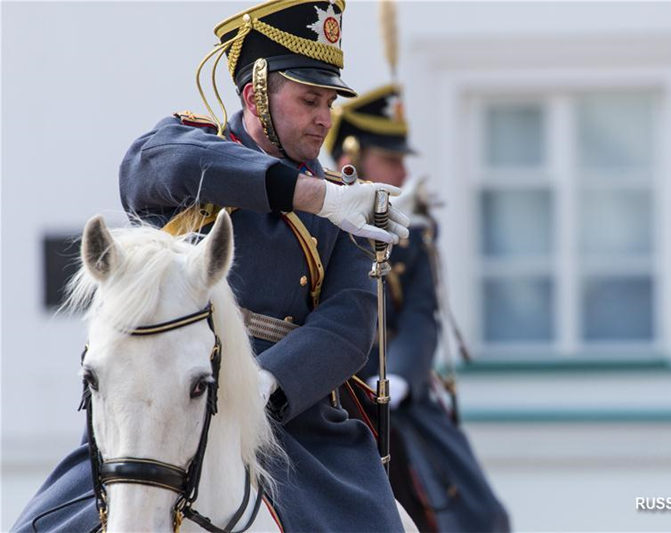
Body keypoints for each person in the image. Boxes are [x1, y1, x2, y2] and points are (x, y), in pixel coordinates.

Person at [12, 1, 412, 531]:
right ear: (256, 96)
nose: (324, 117)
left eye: (329, 102)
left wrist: (266, 385)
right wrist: (313, 197)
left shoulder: (349, 206)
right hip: (162, 399)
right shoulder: (190, 147)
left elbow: (348, 325)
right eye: (309, 99)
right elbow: (152, 170)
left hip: (286, 416)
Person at [327, 83, 511, 533]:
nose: (404, 174)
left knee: (479, 514)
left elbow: (421, 315)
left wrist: (401, 378)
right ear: (353, 155)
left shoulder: (416, 232)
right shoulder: (320, 213)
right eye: (392, 160)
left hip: (401, 390)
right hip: (335, 388)